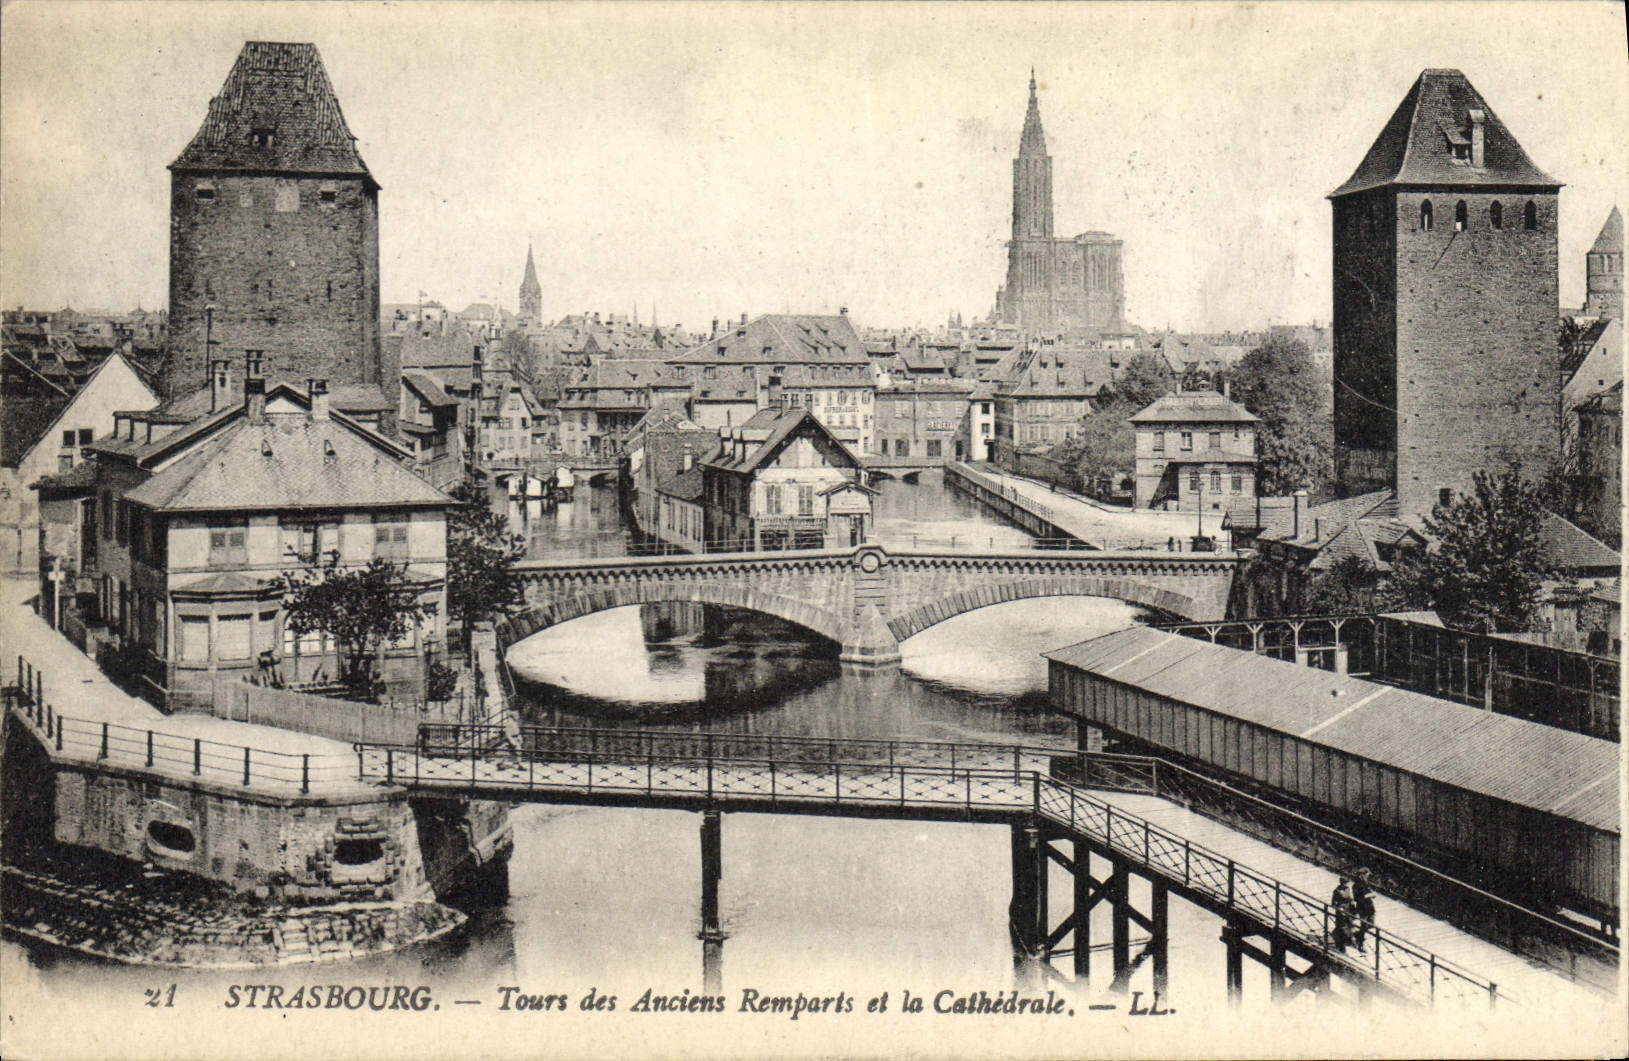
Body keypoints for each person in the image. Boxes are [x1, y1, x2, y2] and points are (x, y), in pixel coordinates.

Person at [1330, 876, 1355, 953]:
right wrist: (1339, 908)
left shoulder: (1348, 889)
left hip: (1348, 910)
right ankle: (1341, 946)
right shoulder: (1336, 891)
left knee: (1349, 925)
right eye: (1346, 883)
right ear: (1342, 883)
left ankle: (1348, 942)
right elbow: (1333, 903)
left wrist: (1353, 903)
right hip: (1341, 911)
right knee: (1342, 928)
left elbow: (1350, 898)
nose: (1347, 885)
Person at [1352, 878, 1377, 953]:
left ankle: (1358, 934)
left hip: (1370, 907)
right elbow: (1357, 898)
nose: (1366, 877)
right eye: (1366, 875)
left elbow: (1370, 892)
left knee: (1371, 924)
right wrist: (1367, 896)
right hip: (1362, 908)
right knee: (1364, 925)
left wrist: (1372, 895)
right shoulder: (1356, 886)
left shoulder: (1366, 884)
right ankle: (1360, 944)